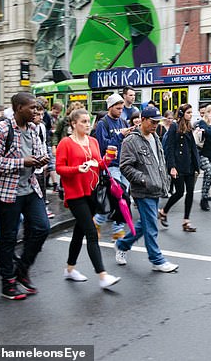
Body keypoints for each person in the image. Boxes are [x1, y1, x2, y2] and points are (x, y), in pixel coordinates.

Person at [0, 92, 51, 300]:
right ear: (18, 108)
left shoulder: (33, 129)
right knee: (9, 237)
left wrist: (42, 160)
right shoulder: (3, 128)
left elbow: (39, 154)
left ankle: (22, 269)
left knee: (42, 227)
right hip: (9, 191)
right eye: (31, 108)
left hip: (31, 187)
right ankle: (8, 283)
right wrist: (22, 162)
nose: (36, 111)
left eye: (37, 108)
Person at [56, 108, 121, 289]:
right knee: (91, 232)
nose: (87, 124)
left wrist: (108, 158)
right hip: (75, 194)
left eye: (88, 121)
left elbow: (99, 164)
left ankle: (69, 270)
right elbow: (59, 168)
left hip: (92, 192)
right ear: (73, 124)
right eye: (83, 121)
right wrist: (78, 169)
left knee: (79, 232)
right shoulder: (65, 143)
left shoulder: (92, 141)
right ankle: (102, 275)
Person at [115, 107, 178, 273]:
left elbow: (160, 160)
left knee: (145, 223)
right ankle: (157, 260)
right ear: (143, 119)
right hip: (143, 190)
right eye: (152, 121)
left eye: (157, 122)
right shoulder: (131, 140)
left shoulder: (155, 136)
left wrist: (163, 179)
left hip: (156, 187)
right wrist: (144, 180)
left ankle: (122, 244)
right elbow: (125, 166)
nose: (155, 125)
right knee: (151, 225)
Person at [94, 93, 133, 240]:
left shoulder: (123, 122)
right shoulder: (103, 124)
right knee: (120, 195)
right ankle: (117, 229)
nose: (120, 111)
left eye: (122, 108)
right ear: (110, 107)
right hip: (111, 166)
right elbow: (103, 145)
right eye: (118, 108)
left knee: (122, 196)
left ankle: (100, 221)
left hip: (124, 164)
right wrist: (120, 136)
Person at [160, 104, 201, 232]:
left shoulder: (190, 127)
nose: (191, 115)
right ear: (182, 113)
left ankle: (186, 222)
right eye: (188, 112)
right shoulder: (174, 126)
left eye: (191, 112)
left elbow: (193, 148)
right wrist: (171, 166)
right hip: (177, 165)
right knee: (179, 192)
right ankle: (164, 211)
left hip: (189, 165)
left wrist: (197, 166)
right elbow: (170, 147)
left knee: (190, 193)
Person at [196, 104, 211, 211]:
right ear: (207, 112)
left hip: (210, 155)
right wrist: (210, 126)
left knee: (207, 177)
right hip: (201, 154)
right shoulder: (202, 123)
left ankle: (204, 198)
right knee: (210, 174)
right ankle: (204, 198)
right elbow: (210, 135)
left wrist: (209, 133)